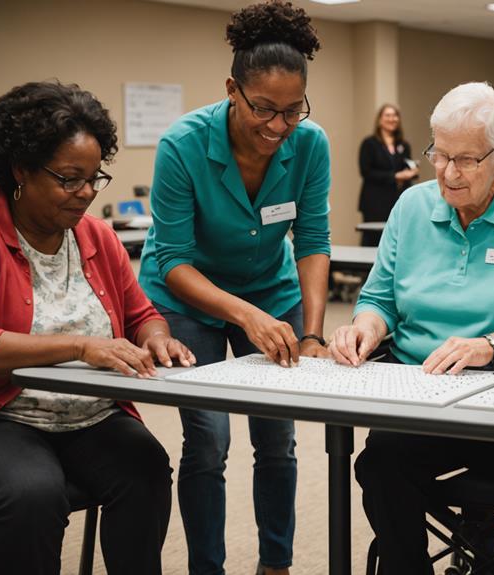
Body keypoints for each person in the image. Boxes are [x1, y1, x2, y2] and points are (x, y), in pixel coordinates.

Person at [328, 82, 494, 575]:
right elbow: (379, 298)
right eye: (439, 154)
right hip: (424, 401)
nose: (448, 172)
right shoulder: (410, 208)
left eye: (466, 159)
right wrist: (363, 327)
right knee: (381, 463)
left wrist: (487, 347)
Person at [137, 2, 332, 574]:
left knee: (277, 440)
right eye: (264, 109)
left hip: (271, 291)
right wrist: (245, 317)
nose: (278, 126)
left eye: (292, 111)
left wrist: (313, 331)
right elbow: (172, 257)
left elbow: (313, 239)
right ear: (232, 89)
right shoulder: (183, 144)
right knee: (209, 440)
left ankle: (276, 564)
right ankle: (208, 568)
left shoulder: (310, 143)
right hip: (186, 294)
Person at [0, 81, 195, 575]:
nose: (85, 193)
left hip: (95, 416)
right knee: (32, 495)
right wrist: (82, 345)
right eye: (68, 179)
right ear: (21, 169)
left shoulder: (97, 235)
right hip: (6, 416)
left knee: (146, 468)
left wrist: (158, 339)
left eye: (93, 178)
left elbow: (142, 314)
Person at [358, 104, 418, 246]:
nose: (392, 119)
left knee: (397, 239)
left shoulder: (404, 145)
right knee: (374, 240)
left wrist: (412, 173)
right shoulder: (369, 143)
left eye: (395, 115)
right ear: (380, 120)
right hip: (375, 201)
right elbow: (366, 171)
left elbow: (407, 168)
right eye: (388, 115)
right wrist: (395, 176)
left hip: (397, 199)